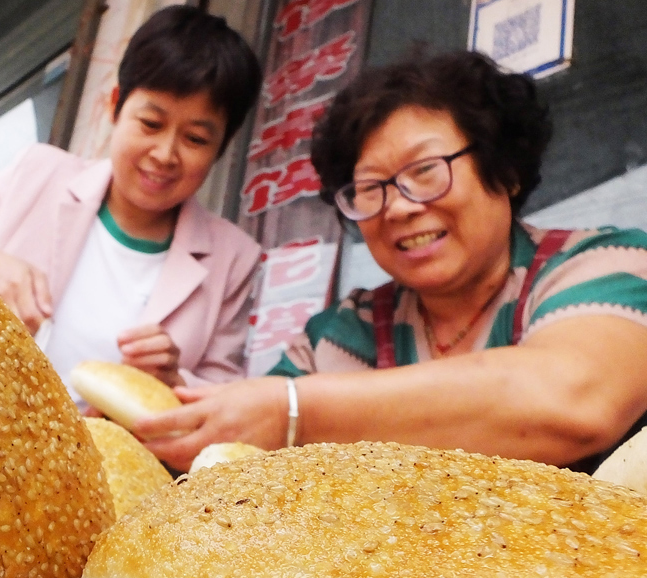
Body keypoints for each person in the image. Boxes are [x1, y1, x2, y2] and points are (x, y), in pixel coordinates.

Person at [138, 50, 647, 473]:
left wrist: (295, 413)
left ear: (506, 170)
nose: (400, 206)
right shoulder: (340, 335)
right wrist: (171, 405)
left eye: (426, 171)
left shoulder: (602, 264)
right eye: (370, 188)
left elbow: (574, 400)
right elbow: (240, 447)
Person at [0, 6, 263, 396]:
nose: (165, 153)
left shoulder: (234, 259)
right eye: (151, 124)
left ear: (221, 148)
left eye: (196, 139)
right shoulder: (38, 173)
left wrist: (175, 381)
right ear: (115, 105)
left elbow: (226, 396)